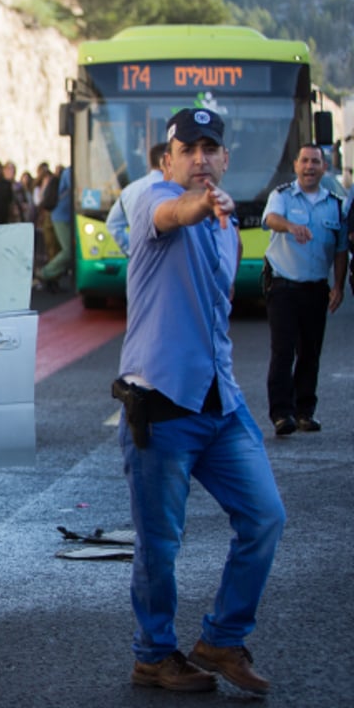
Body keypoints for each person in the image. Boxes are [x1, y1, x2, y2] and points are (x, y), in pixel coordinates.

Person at [114, 108, 285, 695]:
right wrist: (199, 205)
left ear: (225, 158)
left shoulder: (228, 229)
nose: (200, 159)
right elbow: (173, 212)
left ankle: (221, 639)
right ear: (168, 161)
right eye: (188, 150)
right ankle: (153, 654)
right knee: (160, 547)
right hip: (161, 408)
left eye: (210, 149)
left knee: (265, 517)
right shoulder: (153, 204)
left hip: (221, 403)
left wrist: (216, 215)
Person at [260, 144, 346, 436]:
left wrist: (339, 285)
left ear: (324, 167)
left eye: (316, 162)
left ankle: (305, 411)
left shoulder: (335, 204)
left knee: (310, 352)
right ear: (296, 165)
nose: (310, 167)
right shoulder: (281, 196)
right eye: (305, 161)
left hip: (316, 289)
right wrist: (290, 226)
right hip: (283, 286)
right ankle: (282, 414)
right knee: (283, 352)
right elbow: (270, 219)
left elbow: (341, 249)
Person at [105, 142, 168, 255]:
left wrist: (132, 250)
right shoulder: (174, 188)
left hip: (139, 261)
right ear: (165, 161)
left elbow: (113, 224)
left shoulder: (129, 190)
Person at [34, 164, 73, 290]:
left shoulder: (67, 172)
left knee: (60, 249)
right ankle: (45, 273)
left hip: (63, 216)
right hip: (62, 216)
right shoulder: (69, 172)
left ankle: (52, 278)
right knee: (68, 251)